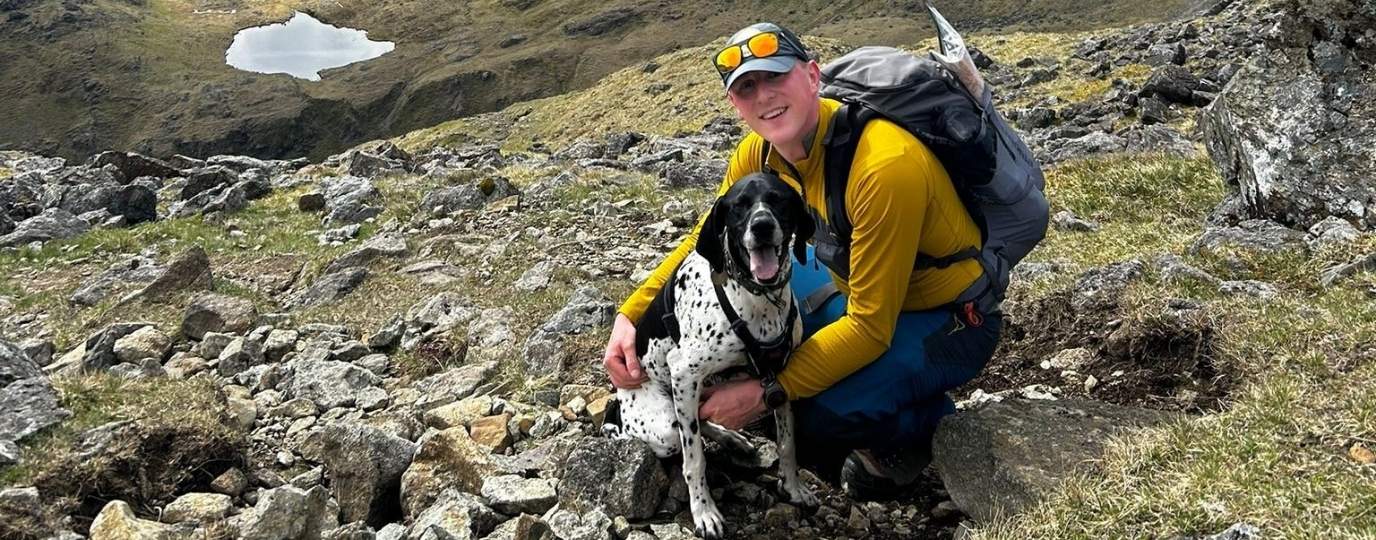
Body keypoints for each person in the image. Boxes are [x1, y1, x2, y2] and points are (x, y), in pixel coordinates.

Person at [602, 22, 1003, 500]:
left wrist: (767, 393)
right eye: (746, 87)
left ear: (813, 76)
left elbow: (871, 327)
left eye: (776, 77)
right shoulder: (760, 151)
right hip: (853, 284)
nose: (765, 96)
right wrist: (631, 314)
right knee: (767, 335)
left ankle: (918, 431)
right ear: (735, 105)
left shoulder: (884, 167)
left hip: (950, 317)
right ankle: (885, 389)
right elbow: (707, 236)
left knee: (809, 412)